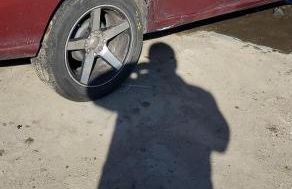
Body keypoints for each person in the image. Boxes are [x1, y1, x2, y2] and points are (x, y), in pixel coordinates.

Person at [96, 42, 230, 189]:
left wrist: (137, 68)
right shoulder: (202, 95)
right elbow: (221, 143)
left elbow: (220, 143)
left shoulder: (200, 96)